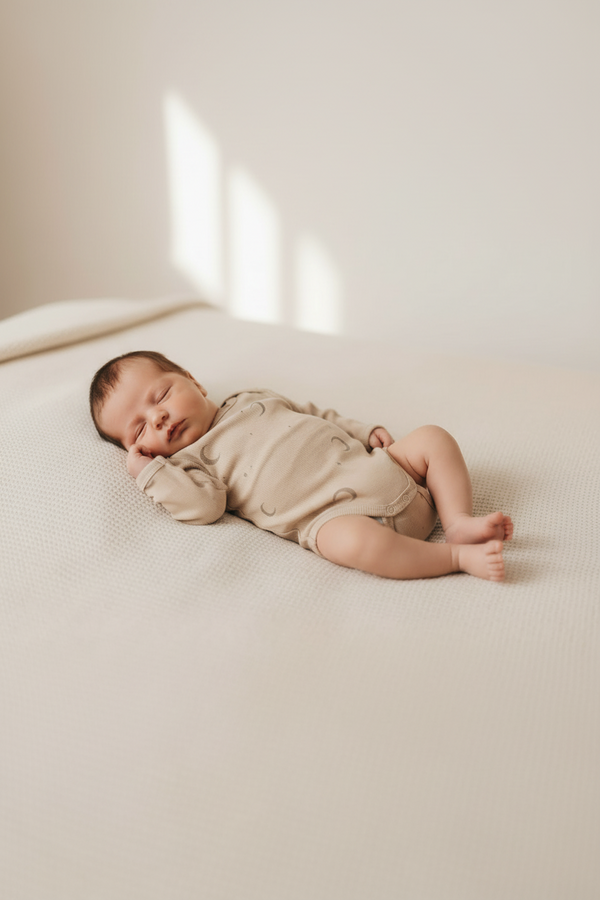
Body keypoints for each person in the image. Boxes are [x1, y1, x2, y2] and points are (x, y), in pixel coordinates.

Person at [90, 350, 513, 582]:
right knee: (350, 546)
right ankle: (455, 557)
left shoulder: (249, 397)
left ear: (193, 381)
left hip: (379, 467)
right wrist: (149, 473)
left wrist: (364, 431)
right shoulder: (188, 466)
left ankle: (457, 519)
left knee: (433, 438)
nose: (158, 419)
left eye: (160, 396)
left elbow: (313, 413)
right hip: (340, 517)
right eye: (138, 430)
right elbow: (204, 507)